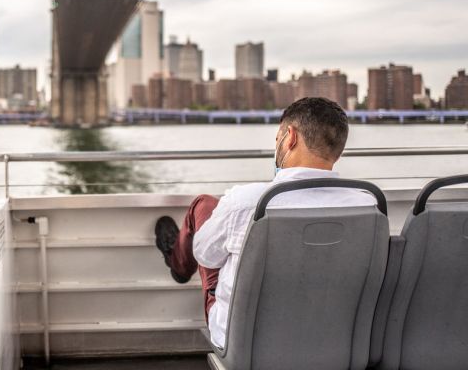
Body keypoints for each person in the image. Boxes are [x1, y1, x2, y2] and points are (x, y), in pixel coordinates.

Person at [154, 97, 375, 348]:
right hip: (334, 340)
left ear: (289, 137)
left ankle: (179, 264)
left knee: (203, 206)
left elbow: (205, 256)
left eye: (277, 138)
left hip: (246, 341)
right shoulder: (367, 205)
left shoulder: (245, 201)